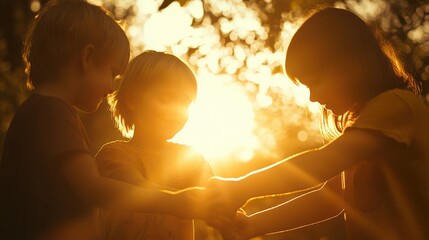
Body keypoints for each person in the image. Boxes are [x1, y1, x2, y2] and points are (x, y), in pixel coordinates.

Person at [207, 7, 429, 240]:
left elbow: (322, 163)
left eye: (316, 81)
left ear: (349, 63)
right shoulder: (367, 124)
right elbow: (330, 198)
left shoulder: (395, 106)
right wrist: (252, 225)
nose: (313, 97)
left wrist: (242, 187)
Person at [0, 1, 214, 240]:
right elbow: (93, 188)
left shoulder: (46, 112)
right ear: (87, 57)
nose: (112, 87)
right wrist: (176, 202)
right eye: (111, 72)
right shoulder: (50, 112)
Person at [95, 50, 214, 240]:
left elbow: (216, 195)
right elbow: (138, 189)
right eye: (167, 99)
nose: (177, 111)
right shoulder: (114, 154)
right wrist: (188, 201)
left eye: (185, 103)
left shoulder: (190, 158)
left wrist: (231, 214)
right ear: (133, 99)